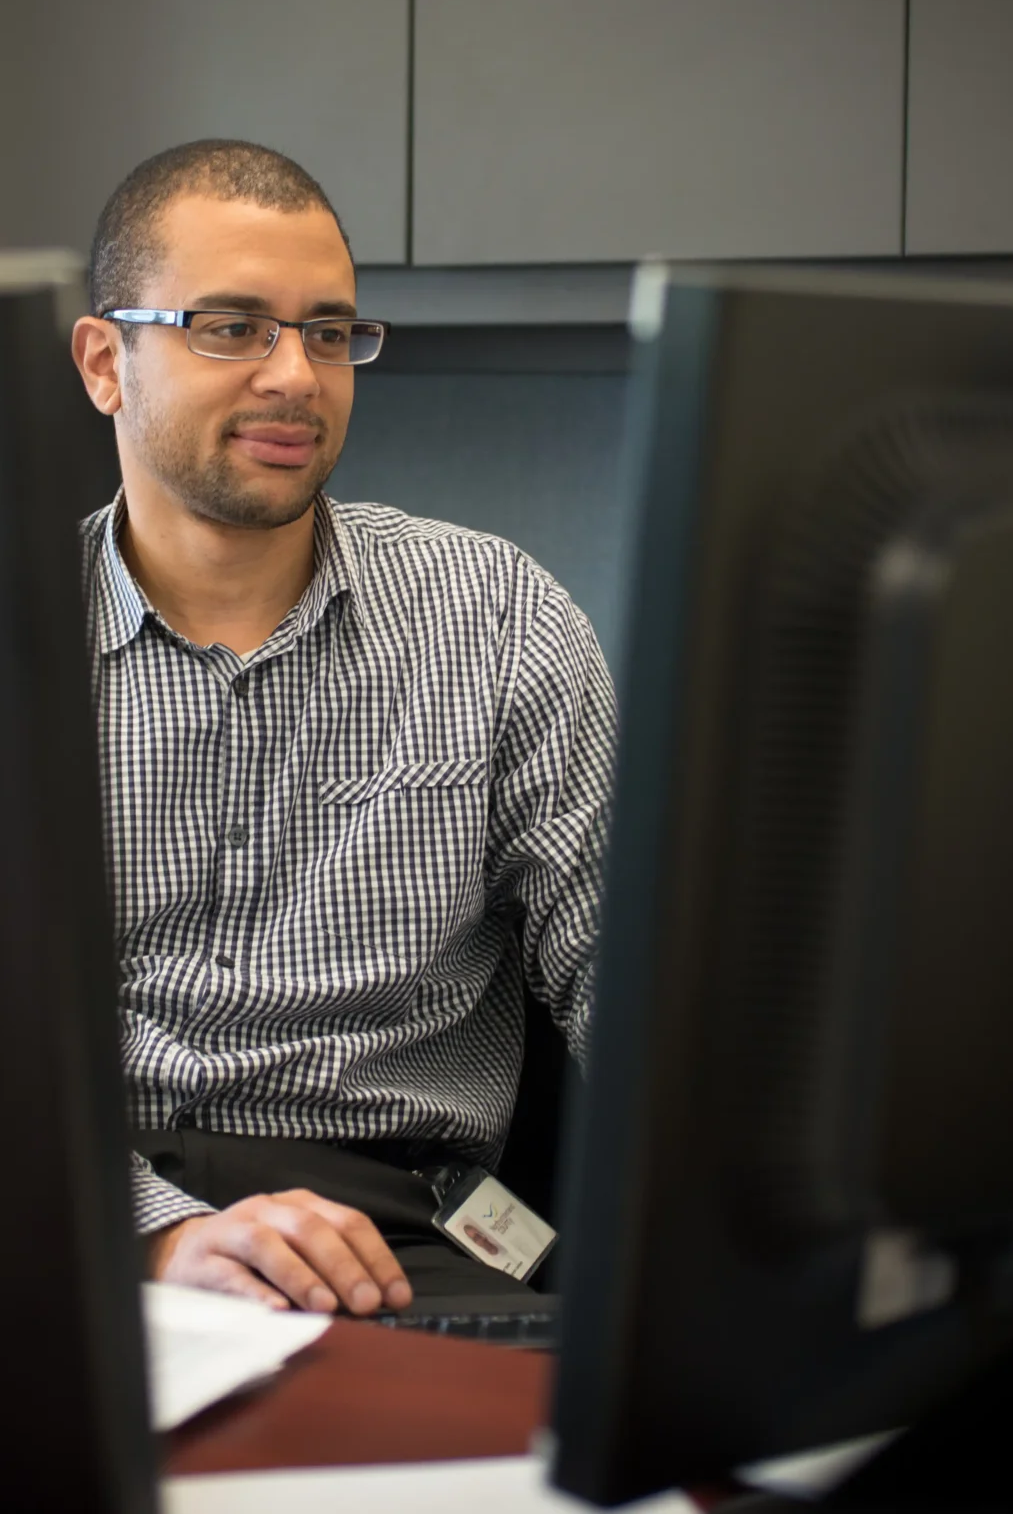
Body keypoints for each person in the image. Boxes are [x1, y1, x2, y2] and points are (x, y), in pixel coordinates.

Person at [72, 139, 617, 1316]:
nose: (296, 376)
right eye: (231, 327)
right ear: (105, 361)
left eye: (328, 331)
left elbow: (628, 974)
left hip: (393, 1237)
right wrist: (160, 1235)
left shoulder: (494, 617)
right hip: (70, 1217)